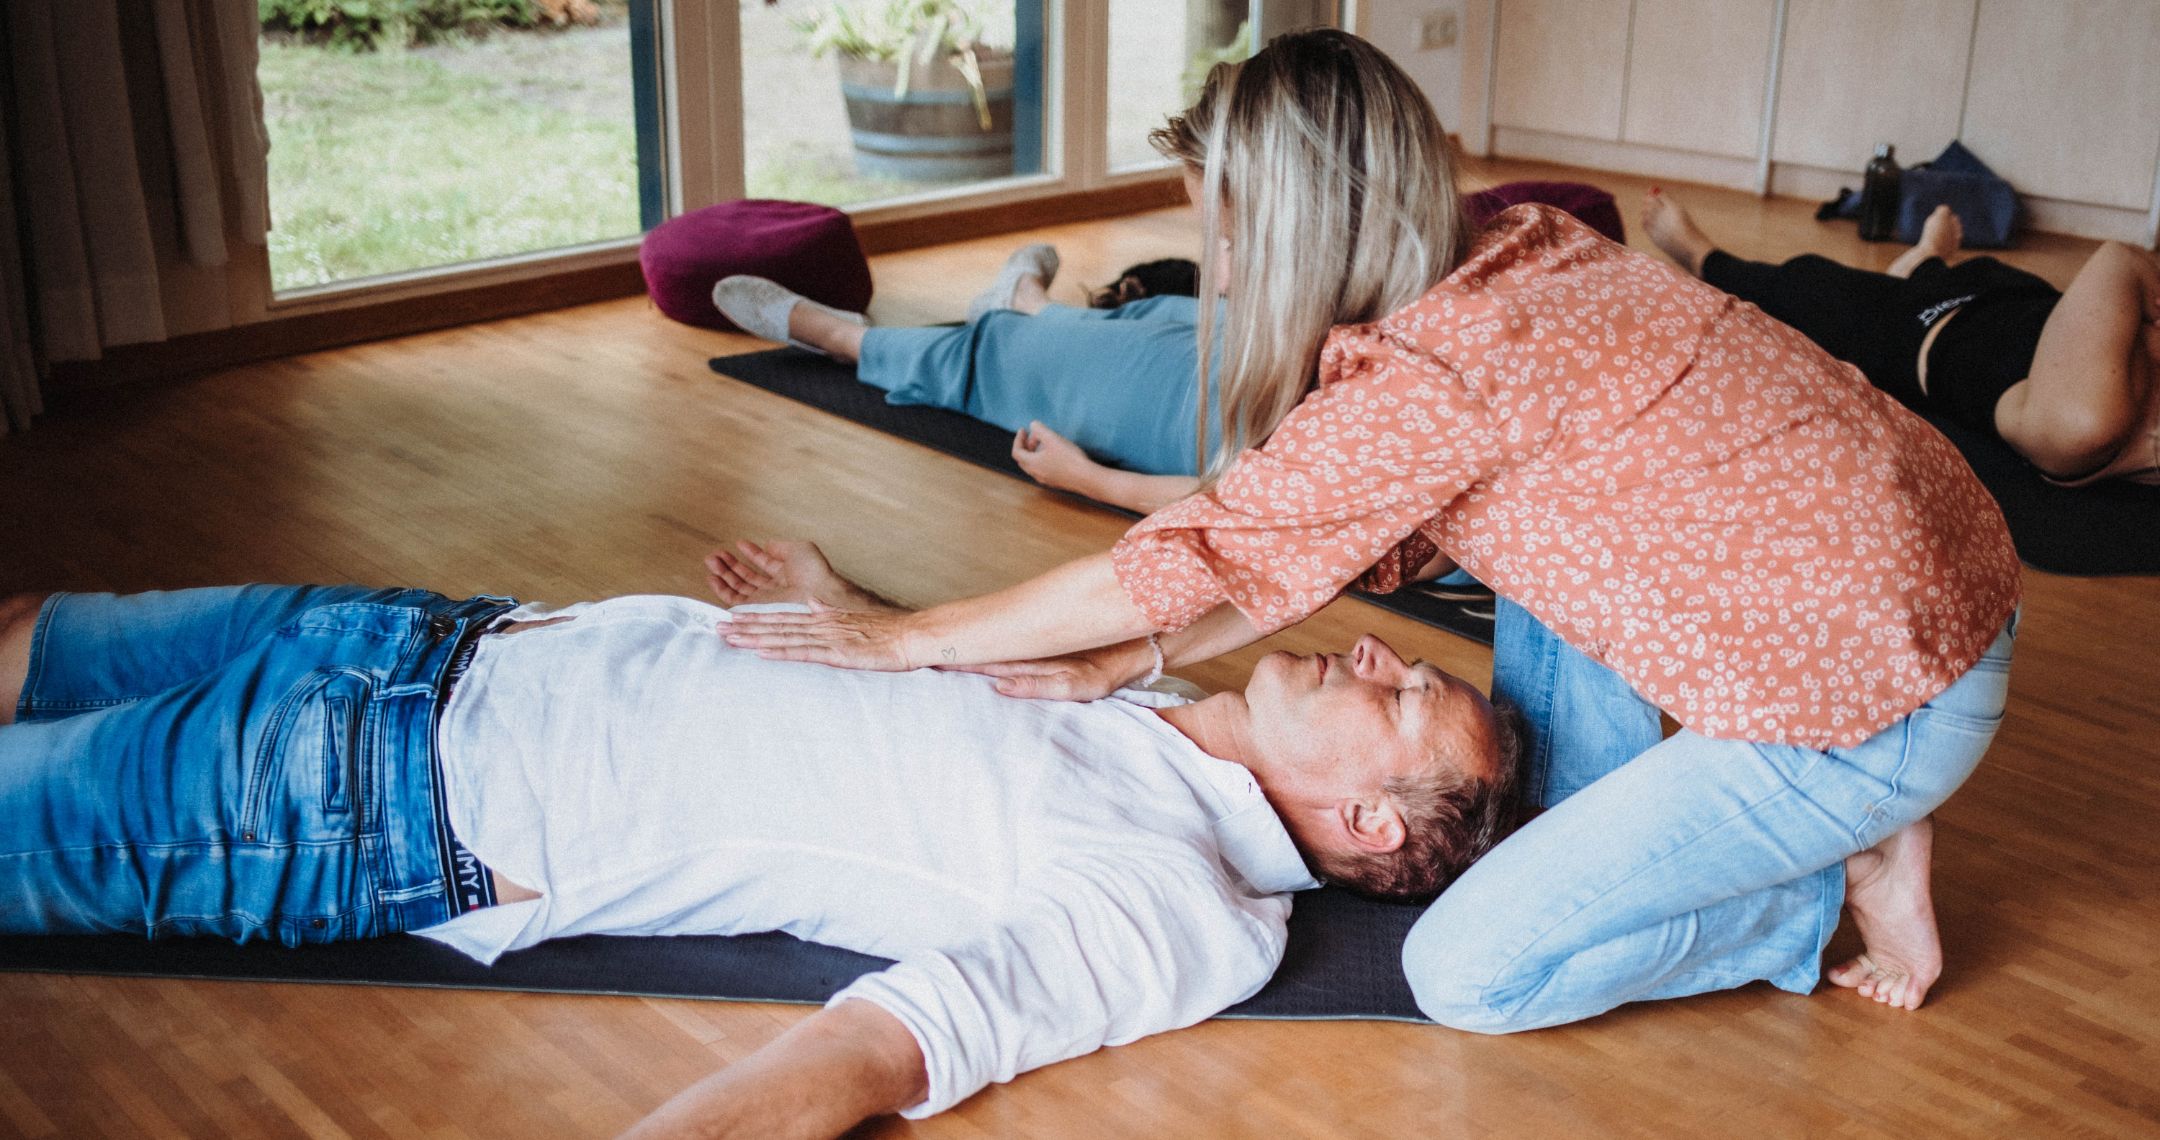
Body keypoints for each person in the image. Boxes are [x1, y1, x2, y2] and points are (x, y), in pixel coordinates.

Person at [719, 27, 2022, 1028]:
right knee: (1536, 736)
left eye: (1231, 238)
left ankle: (1820, 884)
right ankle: (1822, 818)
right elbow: (1283, 543)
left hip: (1876, 693)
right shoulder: (1518, 244)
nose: (1224, 270)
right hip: (1924, 575)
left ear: (1300, 232)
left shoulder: (1431, 380)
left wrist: (907, 641)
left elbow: (1201, 548)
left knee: (1469, 972)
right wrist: (1130, 656)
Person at [0, 546, 1518, 1139]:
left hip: (359, 793)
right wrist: (847, 600)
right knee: (29, 633)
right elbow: (939, 701)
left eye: (1404, 695)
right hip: (434, 636)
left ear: (1368, 821)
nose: (1376, 653)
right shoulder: (1162, 699)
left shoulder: (1182, 901)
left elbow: (887, 1046)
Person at [1642, 189, 2160, 485]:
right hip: (2012, 296)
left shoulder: (2084, 423)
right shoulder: (2098, 418)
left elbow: (2118, 257)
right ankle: (1926, 260)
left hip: (1920, 329)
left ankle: (1697, 251)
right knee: (1954, 284)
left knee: (1806, 286)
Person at [714, 249, 1217, 513]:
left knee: (1007, 359)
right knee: (1188, 317)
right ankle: (1031, 302)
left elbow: (1239, 504)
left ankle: (844, 338)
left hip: (1191, 418)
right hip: (1233, 357)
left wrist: (1090, 480)